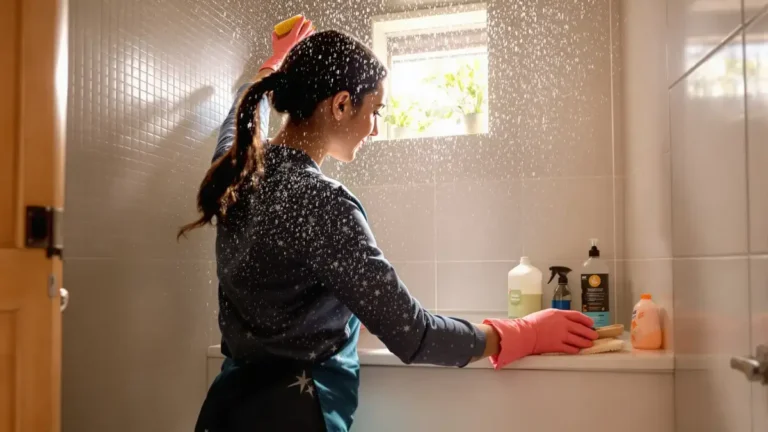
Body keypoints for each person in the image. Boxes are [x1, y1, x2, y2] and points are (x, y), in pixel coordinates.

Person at [179, 17, 598, 432]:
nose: (375, 129)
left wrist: (273, 64)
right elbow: (412, 333)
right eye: (375, 111)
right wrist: (521, 333)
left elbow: (239, 114)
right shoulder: (325, 204)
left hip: (225, 412)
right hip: (293, 417)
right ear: (341, 105)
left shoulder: (235, 172)